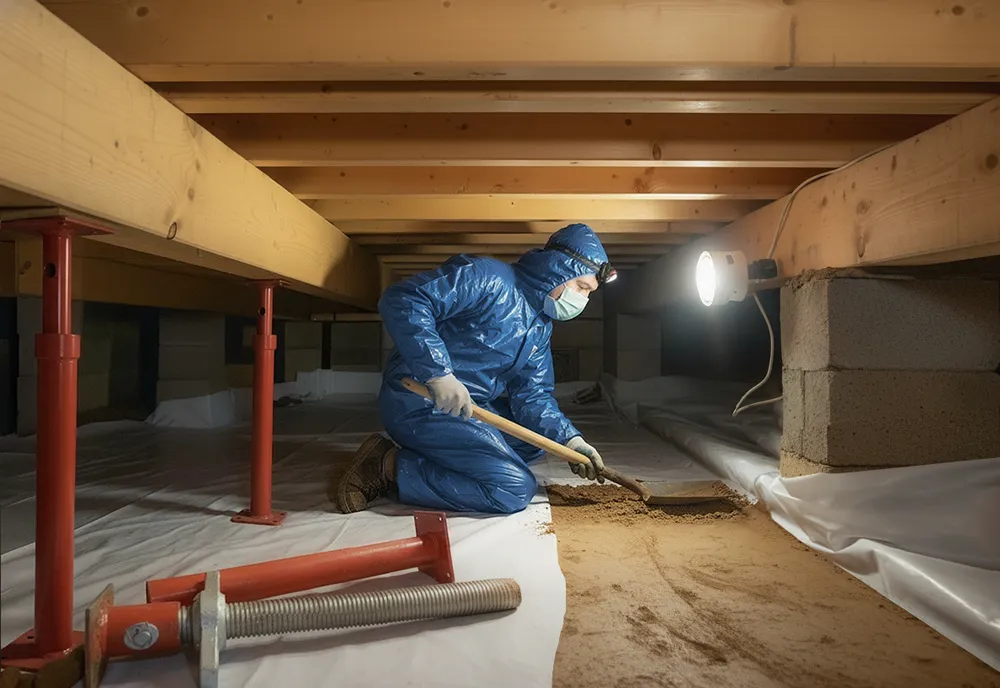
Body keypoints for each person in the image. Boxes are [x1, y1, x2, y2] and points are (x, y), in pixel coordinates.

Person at [335, 223, 617, 515]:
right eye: (582, 287)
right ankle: (388, 466)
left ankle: (448, 454)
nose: (582, 299)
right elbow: (405, 300)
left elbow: (533, 396)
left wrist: (570, 440)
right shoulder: (486, 277)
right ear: (558, 270)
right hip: (420, 398)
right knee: (513, 489)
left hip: (466, 407)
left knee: (534, 443)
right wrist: (438, 373)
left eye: (589, 293)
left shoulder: (539, 326)